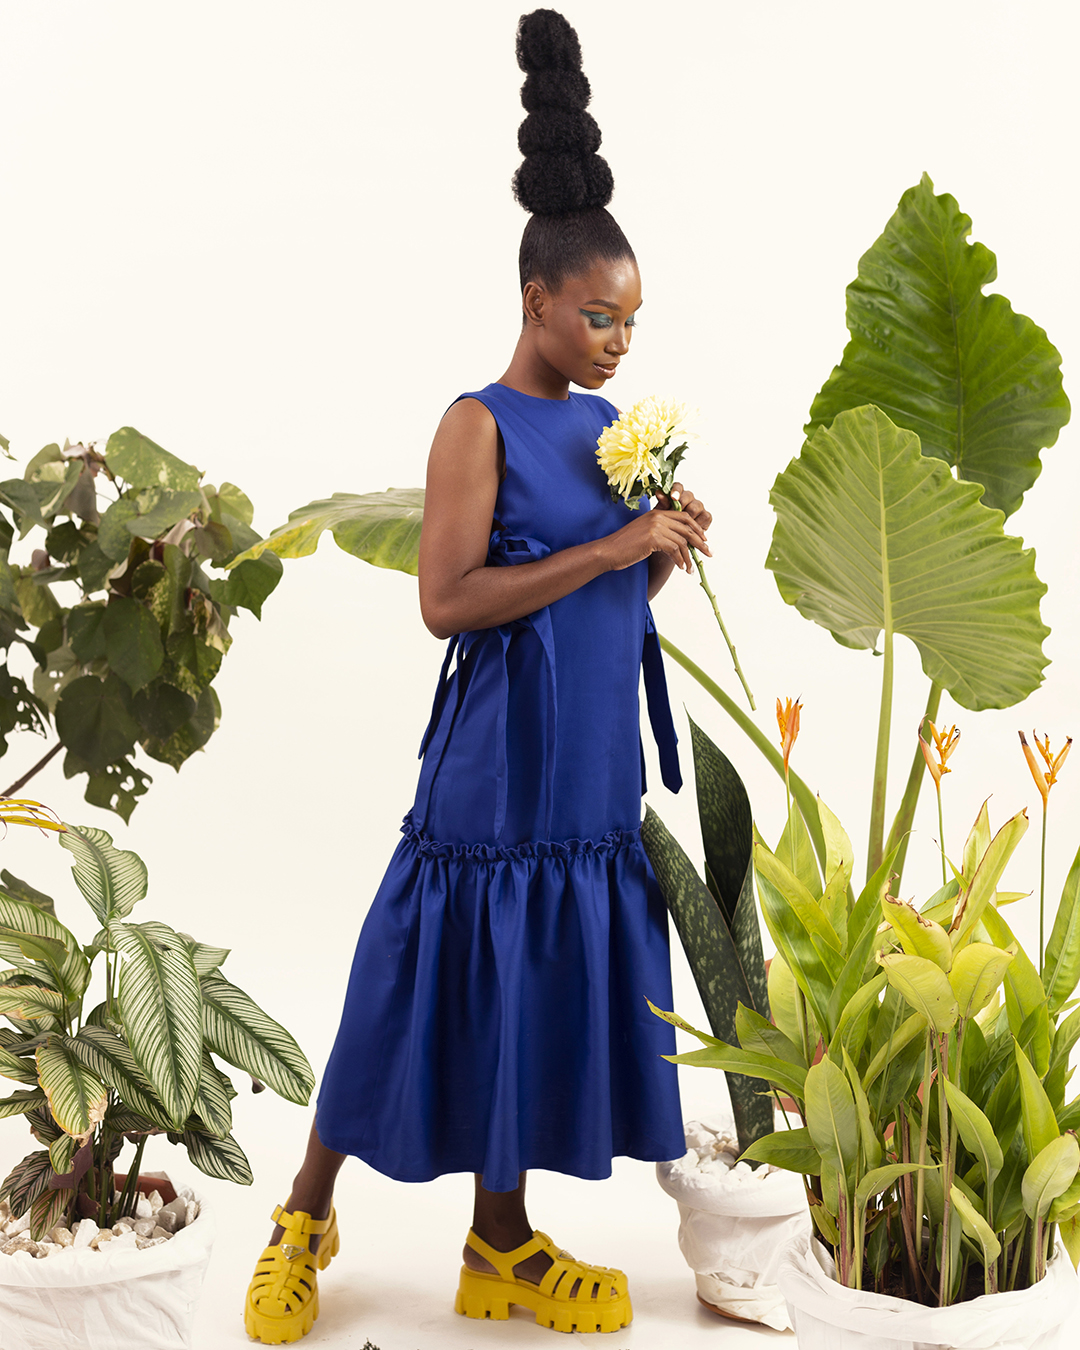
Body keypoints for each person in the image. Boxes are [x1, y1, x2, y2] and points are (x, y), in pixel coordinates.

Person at [243, 9, 712, 1342]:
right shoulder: (477, 424)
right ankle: (302, 1217)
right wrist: (613, 541)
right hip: (495, 766)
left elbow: (599, 598)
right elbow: (446, 601)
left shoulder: (611, 429)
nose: (617, 341)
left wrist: (659, 552)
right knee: (411, 977)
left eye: (631, 322)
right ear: (536, 303)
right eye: (598, 316)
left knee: (531, 989)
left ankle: (500, 1247)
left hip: (588, 771)